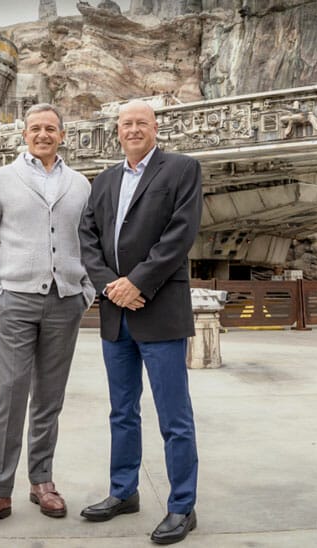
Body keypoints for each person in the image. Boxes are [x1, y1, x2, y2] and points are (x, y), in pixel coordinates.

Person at [0, 103, 95, 535]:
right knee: (12, 393)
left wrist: (86, 292)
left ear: (62, 135)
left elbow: (91, 244)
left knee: (49, 398)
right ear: (24, 134)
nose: (43, 134)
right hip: (15, 301)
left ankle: (42, 481)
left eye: (50, 128)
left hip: (65, 301)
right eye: (35, 128)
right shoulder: (1, 179)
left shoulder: (80, 185)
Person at [78, 100, 202, 545]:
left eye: (141, 123)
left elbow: (180, 234)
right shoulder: (104, 180)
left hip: (160, 310)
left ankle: (182, 506)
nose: (133, 129)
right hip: (116, 314)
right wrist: (111, 286)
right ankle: (123, 491)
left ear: (155, 128)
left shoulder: (182, 169)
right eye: (126, 123)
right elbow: (87, 238)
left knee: (174, 416)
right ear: (117, 131)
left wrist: (138, 282)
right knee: (122, 411)